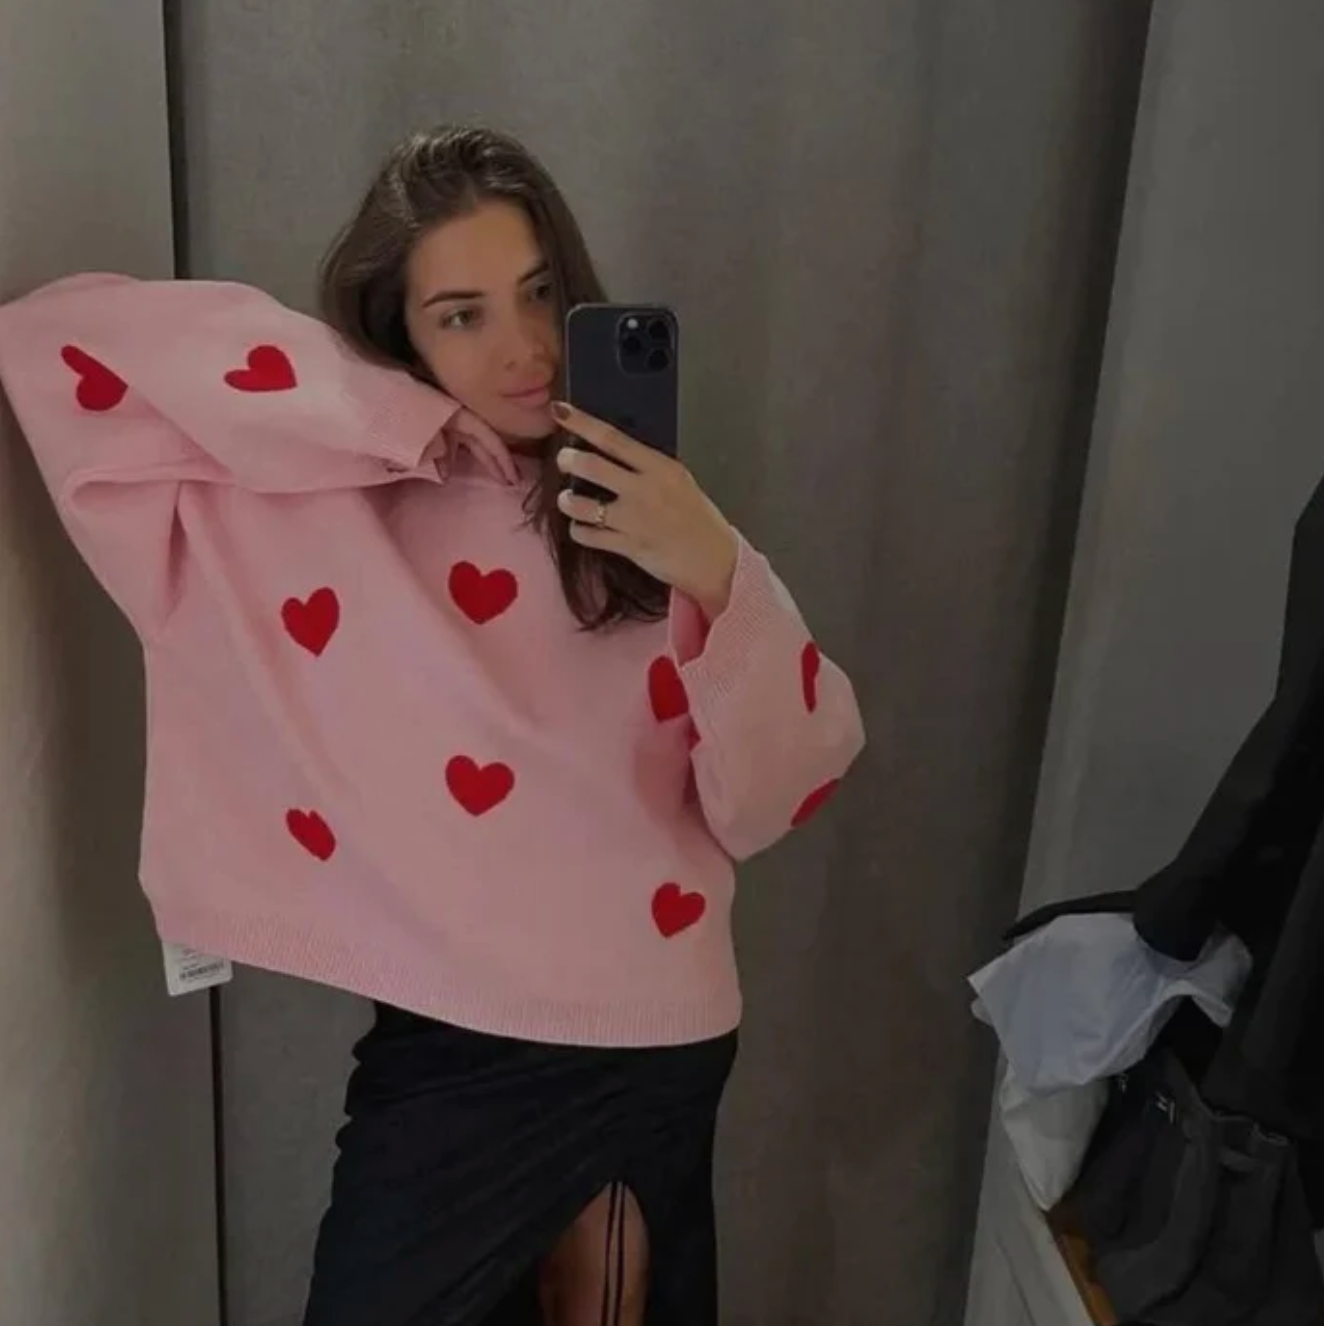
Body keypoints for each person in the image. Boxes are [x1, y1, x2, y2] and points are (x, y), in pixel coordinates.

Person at [0, 125, 864, 1326]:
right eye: (460, 315)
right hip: (449, 1038)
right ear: (399, 332)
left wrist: (716, 565)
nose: (521, 349)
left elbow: (779, 791)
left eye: (539, 294)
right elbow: (54, 342)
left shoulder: (656, 513)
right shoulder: (345, 492)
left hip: (641, 1026)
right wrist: (385, 411)